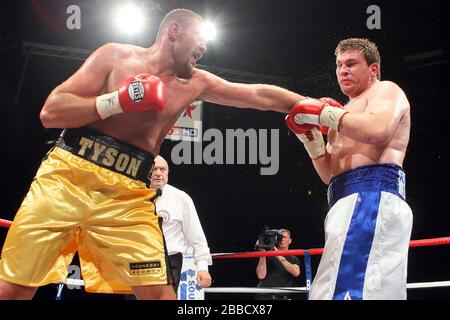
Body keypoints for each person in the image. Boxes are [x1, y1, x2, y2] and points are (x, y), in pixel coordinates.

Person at [0, 8, 309, 300]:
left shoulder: (195, 81)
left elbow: (257, 94)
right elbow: (51, 113)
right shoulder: (115, 55)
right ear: (174, 31)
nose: (203, 47)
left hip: (128, 195)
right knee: (13, 289)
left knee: (159, 293)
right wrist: (118, 101)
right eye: (198, 38)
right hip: (66, 179)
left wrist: (311, 105)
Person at [285, 38, 413, 300]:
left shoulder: (385, 91)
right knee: (352, 288)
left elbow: (378, 131)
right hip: (345, 202)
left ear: (373, 69)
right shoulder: (342, 113)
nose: (343, 70)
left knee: (348, 290)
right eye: (339, 65)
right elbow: (329, 175)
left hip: (371, 198)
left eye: (352, 64)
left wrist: (325, 115)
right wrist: (312, 141)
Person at [150, 155, 212, 292]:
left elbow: (196, 236)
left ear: (168, 172)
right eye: (153, 169)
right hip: (139, 260)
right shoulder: (133, 195)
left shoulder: (181, 198)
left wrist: (202, 267)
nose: (158, 173)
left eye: (162, 169)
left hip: (170, 262)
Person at [255, 229, 300, 300]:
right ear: (276, 240)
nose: (282, 239)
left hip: (282, 297)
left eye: (284, 237)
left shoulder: (294, 259)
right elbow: (261, 275)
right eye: (279, 237)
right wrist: (262, 252)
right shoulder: (267, 255)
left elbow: (296, 272)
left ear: (290, 241)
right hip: (264, 296)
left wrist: (277, 254)